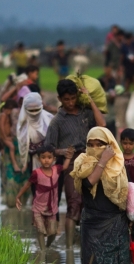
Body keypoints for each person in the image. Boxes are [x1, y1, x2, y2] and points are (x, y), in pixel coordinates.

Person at [69, 127, 130, 264]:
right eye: (91, 144)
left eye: (100, 144)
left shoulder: (118, 165)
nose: (95, 148)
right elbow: (88, 184)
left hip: (116, 223)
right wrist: (102, 160)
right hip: (93, 224)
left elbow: (126, 193)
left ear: (110, 145)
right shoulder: (82, 163)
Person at [44, 79, 106, 249]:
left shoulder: (86, 114)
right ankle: (69, 249)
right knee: (74, 203)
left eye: (73, 98)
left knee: (91, 202)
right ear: (60, 99)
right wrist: (63, 152)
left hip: (90, 161)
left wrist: (89, 98)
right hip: (71, 165)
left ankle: (89, 245)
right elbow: (49, 149)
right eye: (66, 100)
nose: (70, 103)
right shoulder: (57, 121)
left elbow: (102, 124)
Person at [16, 146, 74, 252]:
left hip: (52, 208)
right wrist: (18, 196)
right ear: (39, 159)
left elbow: (65, 166)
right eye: (43, 157)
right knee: (40, 230)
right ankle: (42, 252)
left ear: (54, 159)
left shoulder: (56, 169)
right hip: (38, 207)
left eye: (49, 157)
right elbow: (27, 185)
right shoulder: (36, 173)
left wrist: (69, 156)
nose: (46, 160)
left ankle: (47, 246)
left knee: (53, 232)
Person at [17, 92, 54, 172]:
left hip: (52, 160)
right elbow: (23, 145)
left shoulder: (49, 118)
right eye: (31, 110)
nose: (34, 113)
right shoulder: (23, 124)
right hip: (33, 160)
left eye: (36, 109)